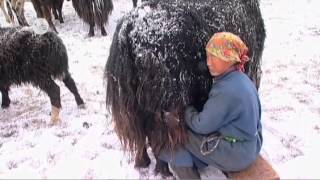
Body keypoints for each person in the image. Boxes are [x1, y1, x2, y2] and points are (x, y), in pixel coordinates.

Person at [159, 32, 263, 179]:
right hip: (252, 145)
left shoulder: (226, 91)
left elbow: (201, 125)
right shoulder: (243, 79)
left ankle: (185, 170)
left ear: (229, 57)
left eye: (214, 57)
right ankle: (196, 160)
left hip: (237, 154)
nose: (208, 62)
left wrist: (186, 110)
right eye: (207, 57)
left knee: (181, 135)